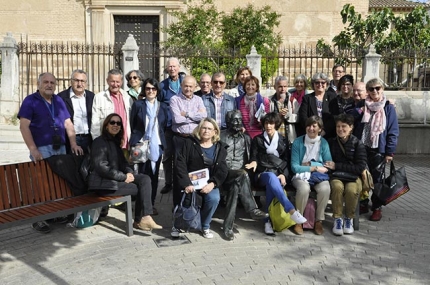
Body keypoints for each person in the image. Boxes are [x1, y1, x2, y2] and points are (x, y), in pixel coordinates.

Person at [18, 72, 84, 233]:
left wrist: (73, 143)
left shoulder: (59, 100)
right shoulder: (30, 101)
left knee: (58, 182)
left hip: (59, 147)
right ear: (38, 84)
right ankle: (39, 219)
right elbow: (24, 126)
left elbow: (68, 123)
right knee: (41, 184)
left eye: (52, 83)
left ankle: (54, 213)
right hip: (41, 148)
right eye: (46, 82)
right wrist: (33, 149)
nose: (49, 85)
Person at [88, 113, 162, 231]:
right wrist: (123, 177)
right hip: (102, 184)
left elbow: (124, 164)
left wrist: (129, 173)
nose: (116, 125)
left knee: (145, 179)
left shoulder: (115, 143)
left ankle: (145, 217)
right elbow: (101, 167)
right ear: (106, 125)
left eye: (118, 123)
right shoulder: (99, 142)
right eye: (112, 122)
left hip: (113, 180)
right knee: (140, 189)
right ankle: (140, 220)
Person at [245, 112, 307, 235]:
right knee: (271, 177)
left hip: (278, 175)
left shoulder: (283, 140)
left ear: (276, 124)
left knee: (271, 184)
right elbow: (254, 157)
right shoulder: (257, 139)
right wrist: (253, 162)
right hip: (262, 174)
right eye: (266, 123)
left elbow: (286, 161)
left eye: (271, 123)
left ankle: (267, 221)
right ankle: (291, 210)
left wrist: (284, 174)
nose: (268, 126)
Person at [173, 118, 228, 239]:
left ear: (215, 132)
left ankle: (205, 225)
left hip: (209, 182)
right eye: (204, 128)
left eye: (209, 129)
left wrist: (213, 184)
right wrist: (186, 183)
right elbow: (180, 163)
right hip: (189, 182)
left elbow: (223, 170)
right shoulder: (188, 143)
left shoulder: (220, 148)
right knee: (184, 197)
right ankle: (179, 225)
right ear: (199, 129)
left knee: (214, 198)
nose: (206, 131)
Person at [220, 110, 269, 240]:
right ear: (228, 122)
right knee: (242, 174)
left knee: (236, 186)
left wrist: (254, 161)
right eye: (235, 120)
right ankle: (252, 209)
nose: (238, 122)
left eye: (240, 120)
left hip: (240, 178)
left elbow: (253, 156)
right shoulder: (220, 136)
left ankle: (227, 228)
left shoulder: (246, 138)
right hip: (223, 174)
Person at [355, 78, 399, 221]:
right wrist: (359, 111)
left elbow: (393, 131)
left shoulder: (388, 107)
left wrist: (389, 152)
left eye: (377, 88)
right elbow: (350, 117)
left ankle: (377, 207)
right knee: (362, 176)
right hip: (362, 147)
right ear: (367, 91)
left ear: (382, 89)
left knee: (377, 179)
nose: (375, 91)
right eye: (371, 89)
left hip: (378, 149)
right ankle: (363, 202)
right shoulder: (363, 104)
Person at [129, 78, 168, 215]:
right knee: (142, 176)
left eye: (153, 88)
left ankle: (151, 205)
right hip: (141, 145)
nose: (150, 91)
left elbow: (164, 125)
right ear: (144, 90)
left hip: (156, 145)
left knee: (154, 175)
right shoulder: (138, 105)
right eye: (148, 88)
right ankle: (141, 205)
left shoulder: (162, 107)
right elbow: (133, 124)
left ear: (157, 91)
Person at [324, 114, 367, 236]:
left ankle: (349, 218)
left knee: (351, 190)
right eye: (338, 126)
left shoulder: (358, 144)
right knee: (337, 187)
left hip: (354, 177)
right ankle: (338, 219)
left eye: (344, 126)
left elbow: (360, 167)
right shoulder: (331, 142)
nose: (340, 129)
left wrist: (337, 166)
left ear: (351, 127)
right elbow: (327, 162)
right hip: (337, 176)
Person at [290, 116, 332, 235]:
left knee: (325, 188)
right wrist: (315, 167)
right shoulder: (298, 142)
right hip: (300, 176)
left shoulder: (323, 143)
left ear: (320, 129)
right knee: (304, 189)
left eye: (314, 126)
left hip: (318, 176)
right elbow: (295, 167)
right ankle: (298, 220)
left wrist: (310, 163)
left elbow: (328, 164)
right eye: (308, 125)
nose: (311, 128)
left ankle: (318, 221)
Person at [170, 75, 207, 206]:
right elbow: (176, 119)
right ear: (181, 85)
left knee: (195, 169)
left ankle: (194, 203)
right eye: (185, 86)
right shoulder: (175, 99)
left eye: (191, 86)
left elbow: (203, 117)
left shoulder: (198, 99)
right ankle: (177, 204)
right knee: (179, 171)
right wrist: (194, 117)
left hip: (194, 139)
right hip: (180, 138)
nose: (188, 88)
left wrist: (186, 114)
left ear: (195, 87)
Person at [91, 69, 133, 153]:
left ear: (121, 82)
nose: (115, 84)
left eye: (118, 82)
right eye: (112, 81)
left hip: (125, 143)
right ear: (107, 81)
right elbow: (95, 123)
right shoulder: (99, 97)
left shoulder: (127, 97)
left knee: (126, 166)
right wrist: (98, 143)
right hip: (107, 144)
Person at [159, 57, 184, 195]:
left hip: (182, 127)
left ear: (179, 68)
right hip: (168, 127)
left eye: (175, 66)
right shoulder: (163, 85)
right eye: (170, 67)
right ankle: (168, 183)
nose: (172, 69)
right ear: (167, 69)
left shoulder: (184, 82)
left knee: (181, 156)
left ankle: (181, 181)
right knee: (168, 156)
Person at [58, 69, 95, 153]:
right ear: (71, 81)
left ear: (86, 83)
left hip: (89, 138)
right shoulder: (61, 97)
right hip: (70, 138)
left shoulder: (91, 96)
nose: (79, 84)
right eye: (77, 80)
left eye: (82, 81)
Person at [298, 72, 337, 138]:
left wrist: (324, 131)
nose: (320, 84)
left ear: (327, 84)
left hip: (328, 135)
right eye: (317, 82)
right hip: (311, 134)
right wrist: (312, 129)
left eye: (323, 82)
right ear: (313, 84)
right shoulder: (307, 98)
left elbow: (334, 116)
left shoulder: (332, 97)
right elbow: (303, 116)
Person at [269, 76, 296, 143]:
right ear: (275, 87)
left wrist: (287, 115)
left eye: (285, 86)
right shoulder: (269, 100)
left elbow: (298, 117)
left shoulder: (292, 100)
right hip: (273, 136)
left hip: (289, 136)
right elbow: (266, 117)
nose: (283, 89)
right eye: (280, 86)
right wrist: (279, 115)